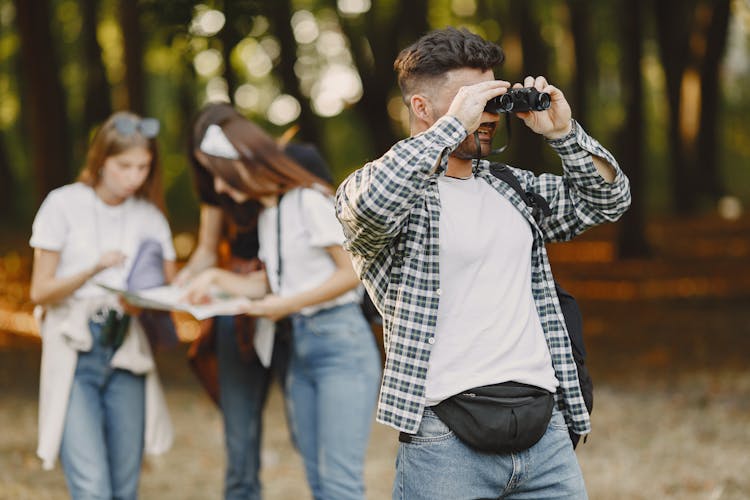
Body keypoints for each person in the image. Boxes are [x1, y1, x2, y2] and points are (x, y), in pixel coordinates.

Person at [335, 27, 632, 499]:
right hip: (444, 443)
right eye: (472, 102)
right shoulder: (389, 195)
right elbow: (368, 206)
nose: (487, 116)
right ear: (422, 108)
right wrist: (453, 125)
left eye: (493, 100)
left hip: (545, 432)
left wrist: (564, 133)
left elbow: (608, 200)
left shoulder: (510, 186)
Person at [179, 103, 382, 500]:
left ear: (246, 164)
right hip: (301, 349)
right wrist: (218, 279)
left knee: (340, 485)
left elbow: (352, 274)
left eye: (222, 178)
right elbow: (276, 283)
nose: (218, 190)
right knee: (318, 481)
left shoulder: (308, 199)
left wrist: (283, 306)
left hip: (340, 345)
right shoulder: (270, 215)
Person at [29, 111, 175, 499]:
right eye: (124, 166)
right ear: (100, 160)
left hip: (128, 349)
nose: (133, 177)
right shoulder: (62, 204)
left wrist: (145, 302)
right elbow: (40, 291)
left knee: (125, 488)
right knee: (92, 487)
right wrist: (93, 269)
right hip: (75, 350)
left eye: (143, 167)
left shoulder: (150, 217)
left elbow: (169, 290)